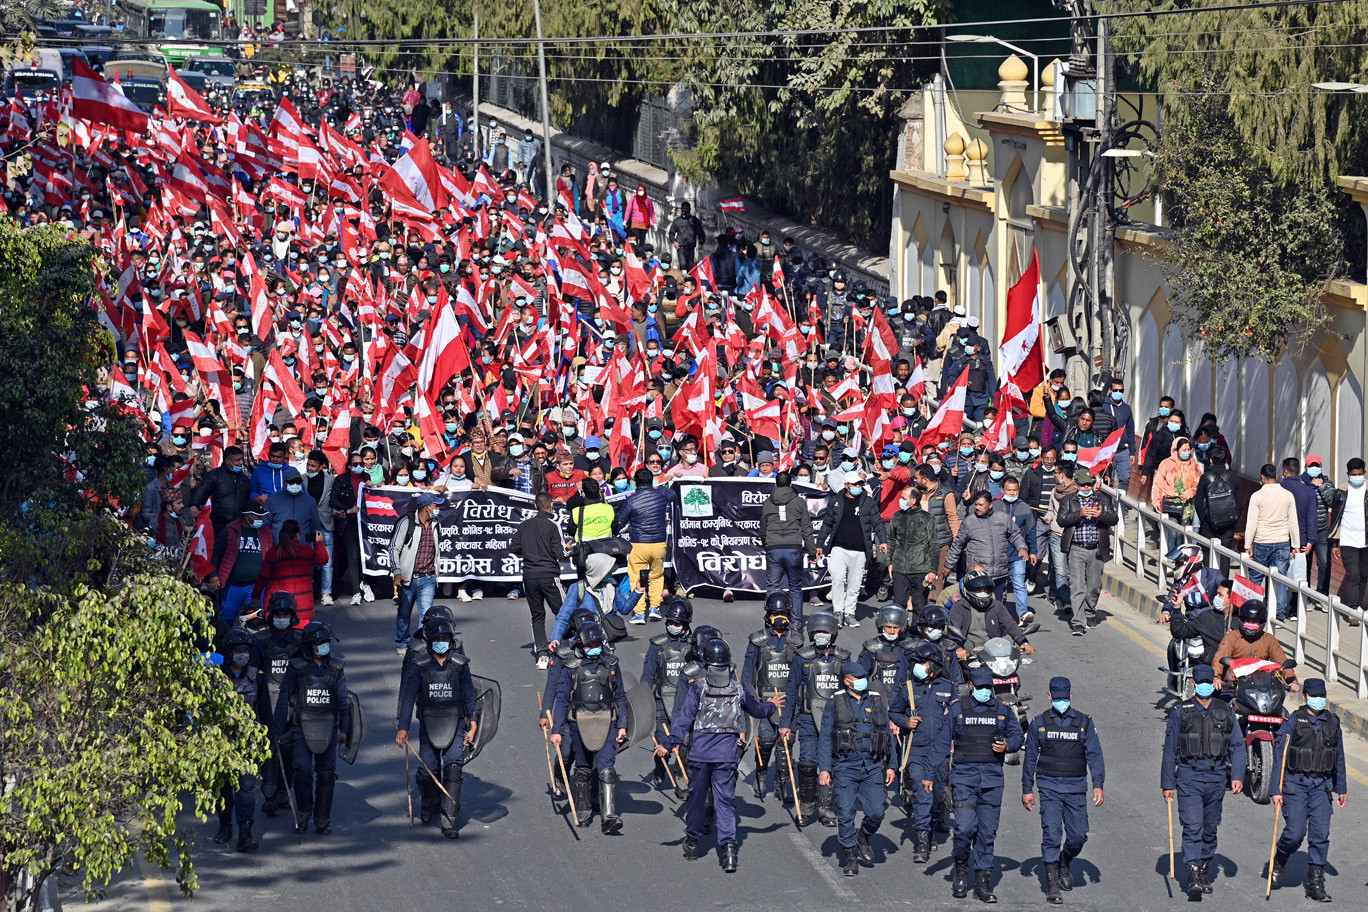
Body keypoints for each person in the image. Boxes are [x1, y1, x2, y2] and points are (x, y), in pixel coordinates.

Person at [656, 637, 783, 872]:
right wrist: (773, 705)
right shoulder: (739, 689)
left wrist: (668, 744)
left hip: (700, 755)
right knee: (725, 802)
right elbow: (757, 710)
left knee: (695, 800)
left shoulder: (698, 688)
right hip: (726, 756)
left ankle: (692, 843)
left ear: (705, 664)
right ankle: (729, 851)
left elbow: (683, 721)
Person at [922, 665, 1025, 902]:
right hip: (964, 780)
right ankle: (960, 868)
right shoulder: (958, 710)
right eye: (979, 687)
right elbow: (940, 744)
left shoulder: (1003, 710)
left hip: (992, 781)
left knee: (987, 835)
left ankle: (982, 883)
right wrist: (929, 773)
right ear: (971, 687)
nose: (984, 691)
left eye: (987, 687)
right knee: (965, 829)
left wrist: (1007, 745)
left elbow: (1018, 735)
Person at [1161, 663, 1246, 899]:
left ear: (1214, 685)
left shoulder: (1225, 711)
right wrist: (1168, 784)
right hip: (1189, 776)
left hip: (1217, 776)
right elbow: (1170, 751)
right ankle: (1194, 875)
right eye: (1202, 683)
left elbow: (1238, 746)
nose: (1206, 687)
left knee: (1210, 829)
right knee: (1192, 827)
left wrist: (1238, 775)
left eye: (1210, 683)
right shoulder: (1181, 711)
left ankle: (1205, 868)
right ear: (1194, 685)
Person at [1021, 677, 1105, 903]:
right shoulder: (1039, 723)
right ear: (1049, 697)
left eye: (1063, 698)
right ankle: (1052, 887)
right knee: (1051, 835)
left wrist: (1098, 784)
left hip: (1076, 787)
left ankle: (1064, 861)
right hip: (1049, 787)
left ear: (1071, 696)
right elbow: (1030, 759)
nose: (1060, 702)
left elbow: (1095, 755)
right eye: (1056, 698)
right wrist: (1026, 788)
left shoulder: (1084, 722)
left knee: (1078, 836)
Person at [395, 616, 478, 838]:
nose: (442, 642)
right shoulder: (419, 666)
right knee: (426, 771)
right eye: (437, 639)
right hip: (429, 724)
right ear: (430, 641)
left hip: (455, 723)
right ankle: (429, 802)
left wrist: (473, 723)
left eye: (445, 638)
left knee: (453, 767)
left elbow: (470, 696)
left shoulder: (460, 665)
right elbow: (408, 697)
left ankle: (449, 819)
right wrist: (403, 728)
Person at [1269, 677, 1347, 902]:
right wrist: (1276, 790)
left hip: (1321, 786)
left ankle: (1315, 883)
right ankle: (1281, 858)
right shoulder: (1292, 721)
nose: (1319, 700)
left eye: (1322, 696)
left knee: (1320, 835)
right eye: (1314, 697)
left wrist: (1341, 788)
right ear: (1304, 697)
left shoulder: (1332, 722)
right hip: (1295, 784)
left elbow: (1338, 757)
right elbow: (1279, 759)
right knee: (1294, 834)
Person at [818, 660, 896, 876]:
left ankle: (863, 837)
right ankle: (850, 855)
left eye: (864, 678)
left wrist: (892, 765)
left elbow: (888, 735)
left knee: (877, 811)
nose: (862, 682)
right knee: (845, 812)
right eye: (858, 679)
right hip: (845, 765)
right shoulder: (834, 703)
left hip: (872, 765)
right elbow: (825, 737)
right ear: (847, 681)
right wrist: (824, 769)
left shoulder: (876, 701)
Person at [272, 622, 352, 835]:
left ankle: (322, 820)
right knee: (302, 771)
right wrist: (277, 729)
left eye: (326, 642)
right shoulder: (296, 668)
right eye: (319, 643)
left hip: (329, 727)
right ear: (309, 646)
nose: (323, 646)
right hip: (301, 728)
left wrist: (345, 729)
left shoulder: (336, 669)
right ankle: (304, 813)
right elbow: (283, 698)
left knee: (326, 774)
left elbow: (343, 701)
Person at [550, 622, 630, 833]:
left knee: (607, 768)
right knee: (583, 766)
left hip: (606, 721)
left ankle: (609, 815)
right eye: (589, 644)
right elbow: (561, 700)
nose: (593, 647)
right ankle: (583, 810)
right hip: (578, 723)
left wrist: (622, 726)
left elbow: (620, 696)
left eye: (597, 643)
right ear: (580, 646)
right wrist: (557, 730)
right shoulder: (571, 669)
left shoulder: (612, 665)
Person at [779, 611, 849, 825]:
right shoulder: (802, 658)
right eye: (817, 631)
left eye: (825, 632)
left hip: (835, 721)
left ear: (833, 634)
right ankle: (807, 805)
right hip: (808, 718)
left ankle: (826, 808)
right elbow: (791, 692)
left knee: (832, 764)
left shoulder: (843, 659)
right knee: (808, 762)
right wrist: (786, 724)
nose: (821, 635)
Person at [891, 640, 956, 864]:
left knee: (938, 794)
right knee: (923, 792)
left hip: (940, 752)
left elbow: (958, 717)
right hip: (916, 751)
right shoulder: (907, 688)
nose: (918, 666)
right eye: (916, 662)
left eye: (923, 662)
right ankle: (922, 841)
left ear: (935, 665)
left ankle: (933, 825)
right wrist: (905, 721)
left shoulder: (948, 688)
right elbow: (894, 712)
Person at [741, 593, 802, 803]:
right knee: (765, 742)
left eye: (783, 614)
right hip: (764, 699)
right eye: (775, 614)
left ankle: (782, 782)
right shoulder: (757, 641)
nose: (779, 618)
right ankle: (761, 773)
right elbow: (748, 673)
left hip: (789, 699)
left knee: (786, 742)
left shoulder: (796, 641)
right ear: (768, 615)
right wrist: (749, 701)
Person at [211, 628, 268, 853]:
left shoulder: (257, 677)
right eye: (238, 651)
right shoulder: (216, 678)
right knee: (223, 788)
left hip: (248, 743)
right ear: (229, 653)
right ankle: (225, 825)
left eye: (245, 650)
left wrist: (269, 739)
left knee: (246, 789)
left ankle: (245, 832)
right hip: (221, 742)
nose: (242, 655)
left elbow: (265, 712)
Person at [815, 469, 886, 627]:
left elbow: (878, 523)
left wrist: (883, 540)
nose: (858, 486)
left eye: (860, 484)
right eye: (854, 484)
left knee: (854, 584)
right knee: (838, 579)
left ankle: (849, 613)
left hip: (860, 550)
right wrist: (819, 544)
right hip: (839, 548)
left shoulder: (868, 501)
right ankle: (838, 612)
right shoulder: (835, 501)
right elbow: (827, 524)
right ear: (846, 485)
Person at [1056, 469, 1119, 636]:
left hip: (1097, 549)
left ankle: (1090, 613)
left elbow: (1114, 519)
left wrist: (1102, 515)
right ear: (1076, 485)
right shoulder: (1068, 500)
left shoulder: (1103, 499)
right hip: (1076, 548)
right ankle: (1078, 622)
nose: (1086, 487)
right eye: (1083, 485)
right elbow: (1061, 520)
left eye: (1089, 484)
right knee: (1077, 586)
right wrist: (1079, 514)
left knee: (1094, 586)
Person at [642, 595, 694, 790]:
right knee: (663, 740)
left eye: (677, 623)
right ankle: (660, 767)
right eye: (670, 622)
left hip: (686, 700)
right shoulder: (658, 646)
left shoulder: (692, 646)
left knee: (685, 741)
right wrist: (644, 704)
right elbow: (647, 677)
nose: (673, 625)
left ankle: (681, 777)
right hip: (661, 701)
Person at [510, 492, 566, 667]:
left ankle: (542, 654)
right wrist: (568, 549)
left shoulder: (524, 525)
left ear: (535, 506)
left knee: (537, 615)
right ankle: (568, 645)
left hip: (529, 577)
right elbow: (559, 554)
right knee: (563, 612)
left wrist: (529, 552)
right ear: (552, 506)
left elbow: (513, 547)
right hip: (549, 575)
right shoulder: (552, 526)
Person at [388, 492, 448, 655]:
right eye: (435, 505)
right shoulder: (406, 523)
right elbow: (394, 548)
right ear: (426, 507)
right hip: (408, 578)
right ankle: (402, 643)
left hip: (428, 577)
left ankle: (424, 645)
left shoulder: (436, 524)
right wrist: (397, 572)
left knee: (426, 614)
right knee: (404, 613)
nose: (438, 508)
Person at [615, 467, 673, 623]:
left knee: (636, 577)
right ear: (651, 481)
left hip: (638, 543)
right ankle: (655, 608)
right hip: (659, 543)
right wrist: (657, 487)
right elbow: (673, 494)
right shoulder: (661, 494)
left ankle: (640, 613)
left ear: (635, 482)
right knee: (657, 575)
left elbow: (620, 522)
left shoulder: (631, 500)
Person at [1245, 463, 1301, 623]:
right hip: (1283, 541)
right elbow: (1293, 522)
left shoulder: (1257, 496)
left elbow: (1252, 522)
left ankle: (1253, 611)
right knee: (1280, 579)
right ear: (1276, 477)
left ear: (1262, 477)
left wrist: (1248, 544)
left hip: (1262, 541)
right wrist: (1295, 545)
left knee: (1256, 577)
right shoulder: (1287, 495)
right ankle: (1279, 615)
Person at [942, 491, 1028, 594]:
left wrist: (1022, 547)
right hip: (978, 574)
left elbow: (1015, 535)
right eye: (976, 505)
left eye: (981, 505)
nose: (977, 507)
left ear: (990, 505)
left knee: (996, 605)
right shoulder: (969, 522)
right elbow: (957, 545)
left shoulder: (1002, 518)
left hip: (999, 573)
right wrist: (948, 565)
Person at [760, 471, 816, 622]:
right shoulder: (799, 501)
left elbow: (763, 528)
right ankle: (797, 622)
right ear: (791, 485)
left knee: (773, 587)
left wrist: (768, 545)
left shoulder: (767, 502)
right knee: (795, 587)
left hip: (774, 547)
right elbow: (806, 528)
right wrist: (812, 552)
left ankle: (773, 620)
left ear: (776, 485)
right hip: (793, 548)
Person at [1210, 599, 1299, 691]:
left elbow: (1281, 660)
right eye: (1247, 621)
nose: (1250, 624)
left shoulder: (1269, 639)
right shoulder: (1232, 637)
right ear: (1241, 620)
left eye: (1254, 621)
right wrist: (1216, 677)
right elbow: (1220, 657)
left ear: (1261, 622)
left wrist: (1292, 680)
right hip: (1235, 686)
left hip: (1261, 687)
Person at [253, 519, 329, 627]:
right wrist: (319, 542)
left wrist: (255, 597)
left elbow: (262, 579)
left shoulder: (273, 553)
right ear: (298, 535)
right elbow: (324, 558)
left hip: (277, 607)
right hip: (302, 608)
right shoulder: (306, 551)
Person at [209, 506, 273, 626]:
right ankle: (222, 642)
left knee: (255, 620)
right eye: (257, 516)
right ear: (247, 516)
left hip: (256, 586)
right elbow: (216, 552)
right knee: (226, 619)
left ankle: (253, 643)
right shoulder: (231, 529)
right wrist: (214, 574)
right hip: (233, 585)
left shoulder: (266, 532)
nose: (261, 519)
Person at [885, 485, 939, 612]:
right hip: (900, 568)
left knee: (919, 604)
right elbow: (891, 540)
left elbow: (934, 545)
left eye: (903, 498)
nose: (901, 500)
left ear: (913, 500)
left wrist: (933, 570)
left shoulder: (927, 518)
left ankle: (916, 631)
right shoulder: (897, 516)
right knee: (898, 603)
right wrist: (890, 562)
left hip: (920, 568)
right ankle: (899, 630)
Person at [1331, 458, 1368, 619]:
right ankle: (1353, 610)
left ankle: (1360, 605)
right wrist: (1334, 543)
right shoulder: (1341, 491)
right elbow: (1335, 520)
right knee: (1353, 574)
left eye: (1360, 474)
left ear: (1364, 473)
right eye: (1354, 475)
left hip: (1366, 541)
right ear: (1348, 474)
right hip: (1347, 539)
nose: (1357, 477)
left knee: (1364, 574)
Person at [266, 466, 323, 539]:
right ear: (285, 483)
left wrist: (315, 547)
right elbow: (266, 526)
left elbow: (315, 527)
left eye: (298, 482)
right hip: (280, 546)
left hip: (303, 547)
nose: (295, 484)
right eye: (292, 482)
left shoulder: (310, 501)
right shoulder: (273, 500)